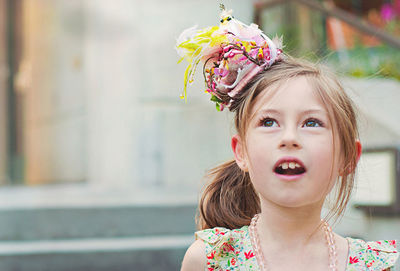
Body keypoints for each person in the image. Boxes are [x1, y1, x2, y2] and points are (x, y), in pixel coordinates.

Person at [176, 6, 399, 271]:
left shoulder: (370, 265)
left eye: (312, 122)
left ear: (348, 157)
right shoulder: (208, 260)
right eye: (269, 122)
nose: (290, 138)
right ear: (241, 152)